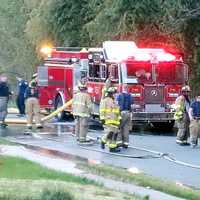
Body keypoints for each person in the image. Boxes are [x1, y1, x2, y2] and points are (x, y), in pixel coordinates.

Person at [100, 87, 121, 152]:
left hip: (115, 121)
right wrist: (102, 118)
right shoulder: (105, 100)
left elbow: (118, 112)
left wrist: (120, 119)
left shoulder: (115, 102)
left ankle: (112, 148)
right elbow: (102, 110)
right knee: (110, 133)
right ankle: (103, 141)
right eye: (114, 93)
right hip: (108, 120)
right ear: (111, 93)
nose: (115, 95)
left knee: (115, 134)